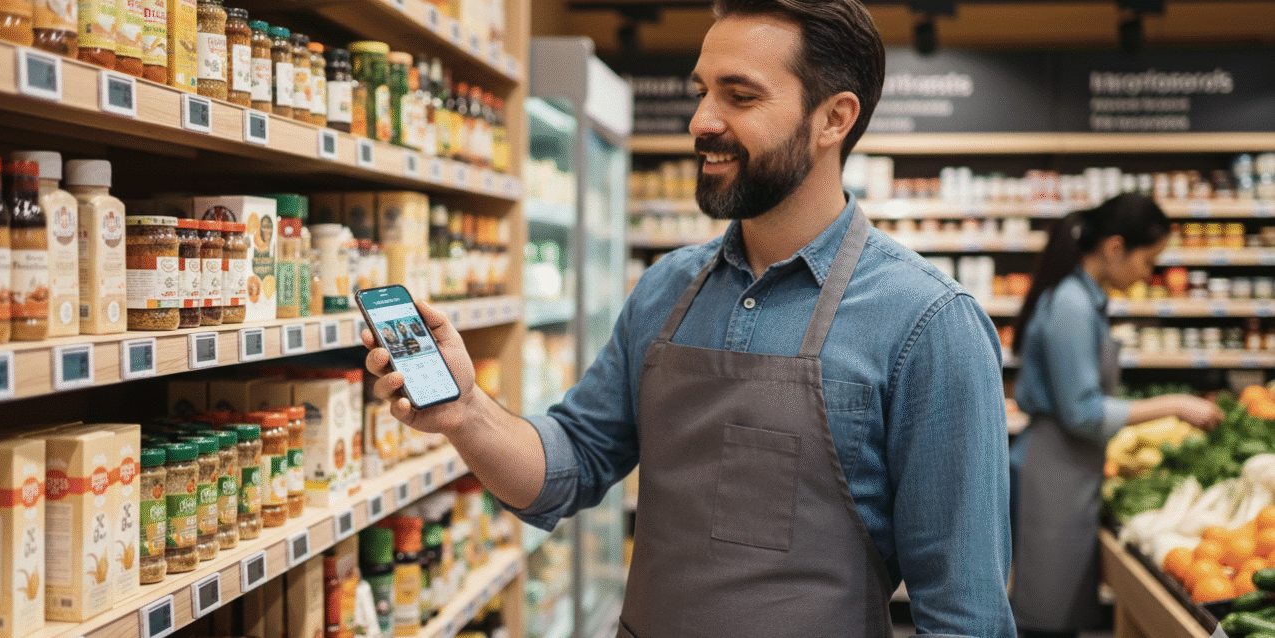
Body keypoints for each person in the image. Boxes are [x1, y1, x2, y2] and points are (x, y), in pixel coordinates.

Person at [364, 0, 1016, 634]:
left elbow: (965, 614)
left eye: (740, 95)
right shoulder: (666, 290)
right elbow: (571, 466)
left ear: (833, 119)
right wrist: (467, 411)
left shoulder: (929, 325)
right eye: (703, 91)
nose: (702, 119)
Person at [1008, 193, 1222, 638]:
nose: (1149, 273)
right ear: (1114, 247)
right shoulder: (1071, 305)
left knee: (1058, 612)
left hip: (1068, 468)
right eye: (1148, 260)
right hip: (1054, 472)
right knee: (1045, 618)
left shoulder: (1081, 298)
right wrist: (1175, 405)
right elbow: (1082, 412)